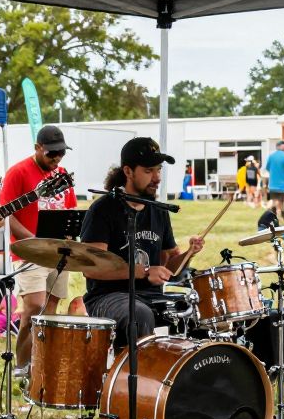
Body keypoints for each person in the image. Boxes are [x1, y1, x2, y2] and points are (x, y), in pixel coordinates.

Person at [80, 137, 203, 348]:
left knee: (195, 311)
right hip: (108, 297)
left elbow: (169, 268)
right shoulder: (103, 209)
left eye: (158, 170)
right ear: (128, 172)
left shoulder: (159, 211)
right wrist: (145, 271)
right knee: (139, 314)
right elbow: (92, 269)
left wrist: (189, 254)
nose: (156, 178)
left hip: (151, 296)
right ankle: (139, 378)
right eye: (148, 171)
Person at [0, 124, 77, 377]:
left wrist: (69, 236)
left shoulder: (62, 174)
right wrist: (33, 241)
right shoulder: (18, 172)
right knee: (34, 305)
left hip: (58, 251)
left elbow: (70, 208)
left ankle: (42, 363)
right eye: (51, 154)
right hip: (29, 252)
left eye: (61, 154)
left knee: (52, 308)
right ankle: (22, 365)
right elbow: (6, 215)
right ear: (37, 148)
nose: (56, 159)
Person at [265, 139, 284, 220]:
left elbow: (268, 168)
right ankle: (282, 218)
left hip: (272, 185)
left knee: (274, 201)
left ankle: (272, 218)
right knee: (281, 203)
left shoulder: (271, 156)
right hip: (283, 185)